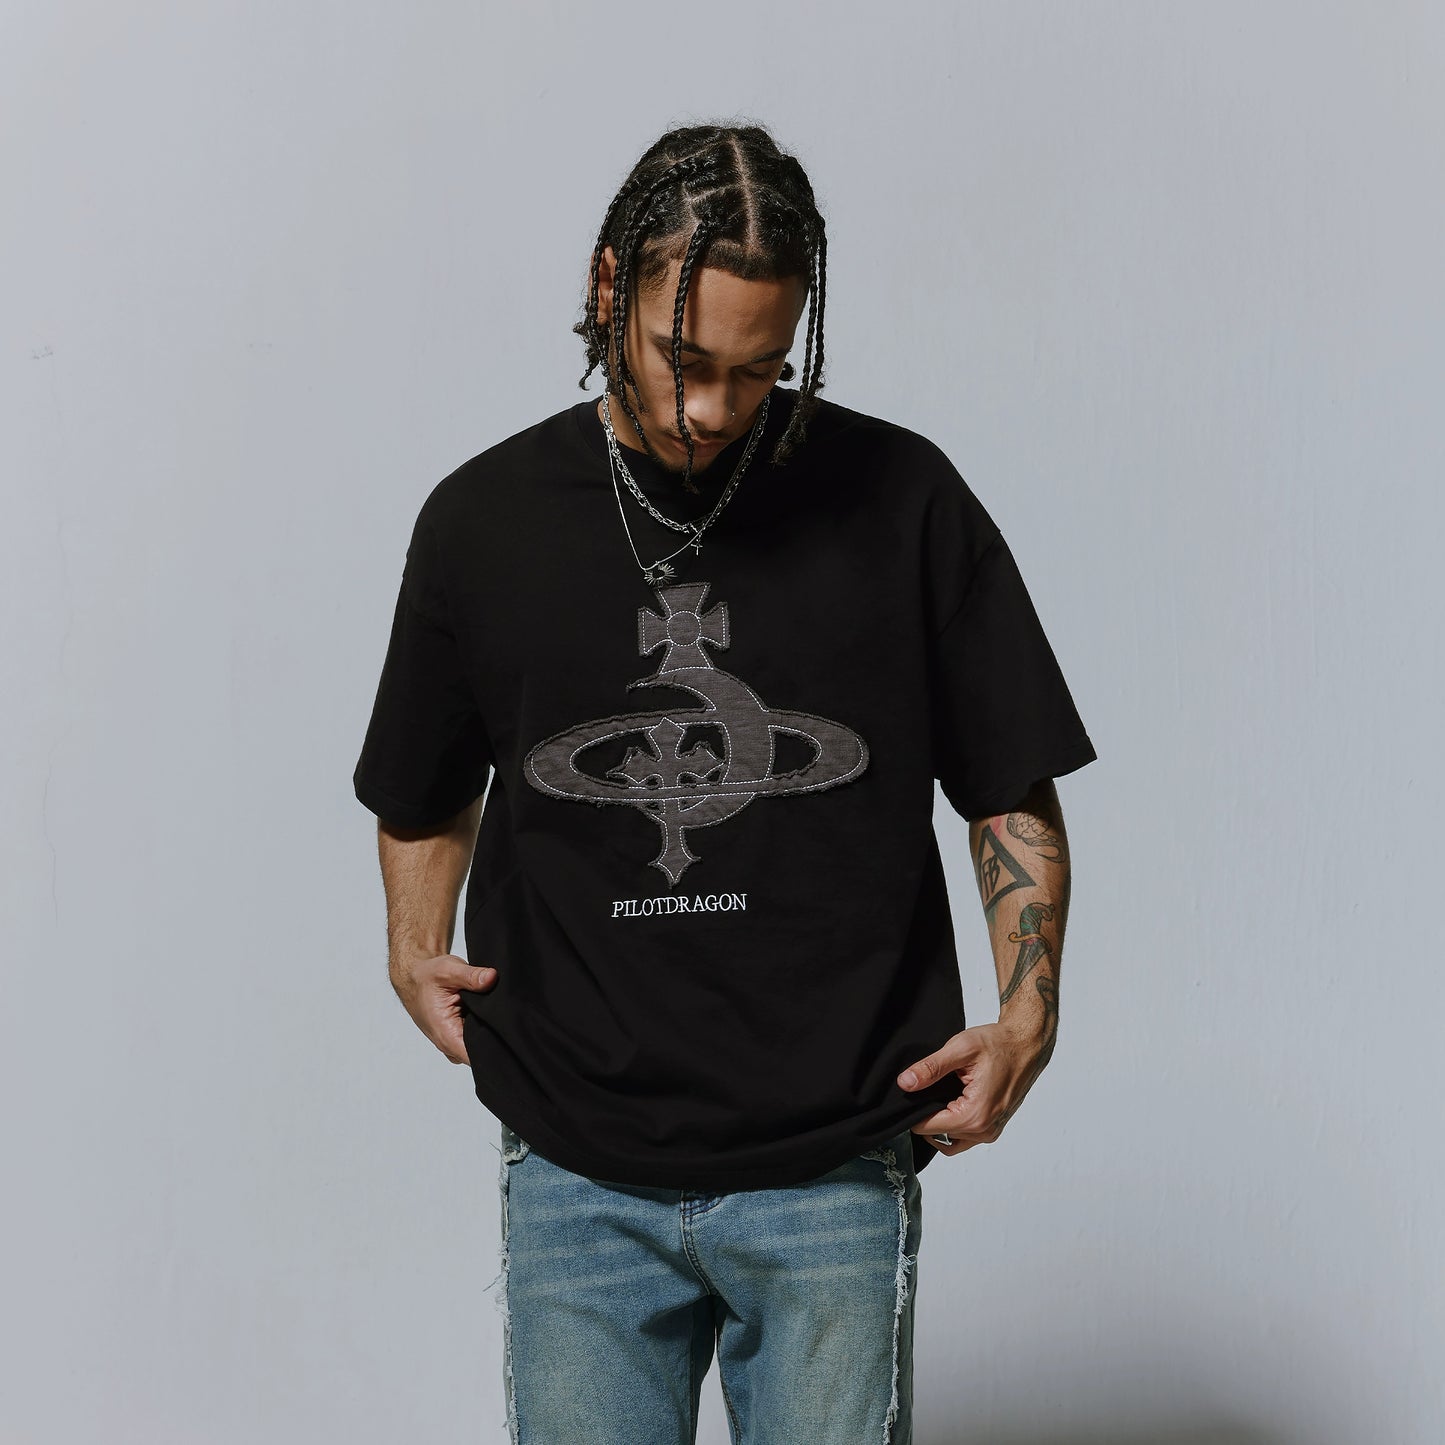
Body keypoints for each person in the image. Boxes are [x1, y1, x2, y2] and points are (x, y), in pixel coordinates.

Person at [352, 120, 1097, 1445]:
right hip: (575, 1162)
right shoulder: (481, 521)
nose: (713, 409)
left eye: (758, 372)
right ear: (606, 289)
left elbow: (1005, 783)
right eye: (683, 362)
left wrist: (1028, 1009)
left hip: (834, 1161)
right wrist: (413, 942)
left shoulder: (904, 499)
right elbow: (420, 783)